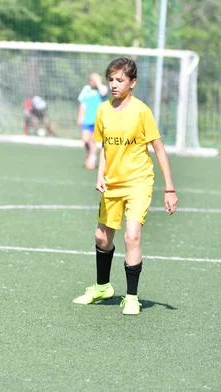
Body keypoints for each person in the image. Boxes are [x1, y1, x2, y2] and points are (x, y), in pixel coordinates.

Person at [73, 58, 179, 315]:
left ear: (133, 82)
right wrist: (100, 174)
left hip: (139, 182)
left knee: (132, 236)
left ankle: (131, 297)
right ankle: (102, 288)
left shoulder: (141, 111)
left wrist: (170, 188)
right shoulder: (103, 110)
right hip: (113, 183)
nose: (114, 84)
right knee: (101, 237)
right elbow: (105, 147)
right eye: (111, 79)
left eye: (120, 80)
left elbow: (158, 148)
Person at [77, 73, 109, 170]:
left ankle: (92, 159)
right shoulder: (86, 89)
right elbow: (83, 103)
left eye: (94, 80)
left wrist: (98, 82)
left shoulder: (102, 88)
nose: (92, 82)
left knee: (94, 141)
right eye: (91, 80)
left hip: (98, 120)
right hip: (87, 119)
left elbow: (103, 93)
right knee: (85, 140)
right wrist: (80, 116)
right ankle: (89, 153)